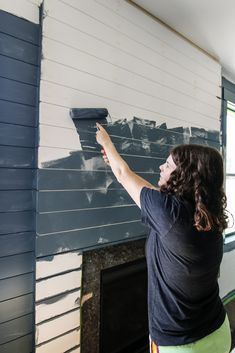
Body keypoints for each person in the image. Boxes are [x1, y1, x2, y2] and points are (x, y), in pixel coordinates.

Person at [96, 122, 232, 353]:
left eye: (167, 165)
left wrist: (106, 142)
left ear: (184, 176)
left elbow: (123, 175)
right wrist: (115, 160)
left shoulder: (170, 214)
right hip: (217, 331)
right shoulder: (205, 214)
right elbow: (149, 192)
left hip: (183, 346)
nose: (161, 167)